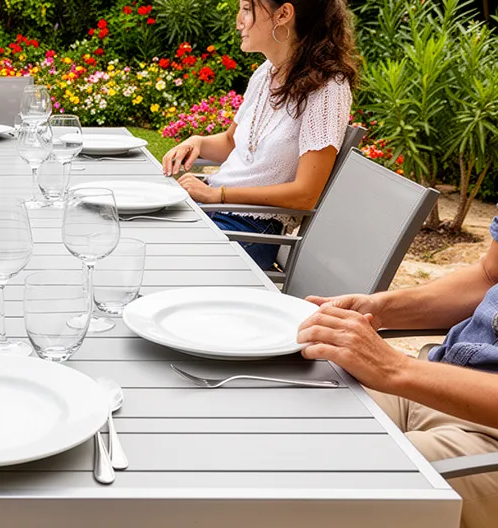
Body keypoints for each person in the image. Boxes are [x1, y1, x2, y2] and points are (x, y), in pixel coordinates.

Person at [298, 216, 498, 528]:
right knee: (300, 406)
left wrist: (395, 369)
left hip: (488, 431)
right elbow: (489, 275)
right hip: (439, 372)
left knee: (346, 479)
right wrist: (377, 308)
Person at [161, 0, 358, 270]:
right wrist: (197, 141)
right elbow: (232, 142)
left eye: (246, 9)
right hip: (214, 210)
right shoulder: (266, 72)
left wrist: (217, 195)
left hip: (250, 230)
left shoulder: (327, 88)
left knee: (155, 252)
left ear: (283, 14)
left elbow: (306, 194)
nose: (238, 21)